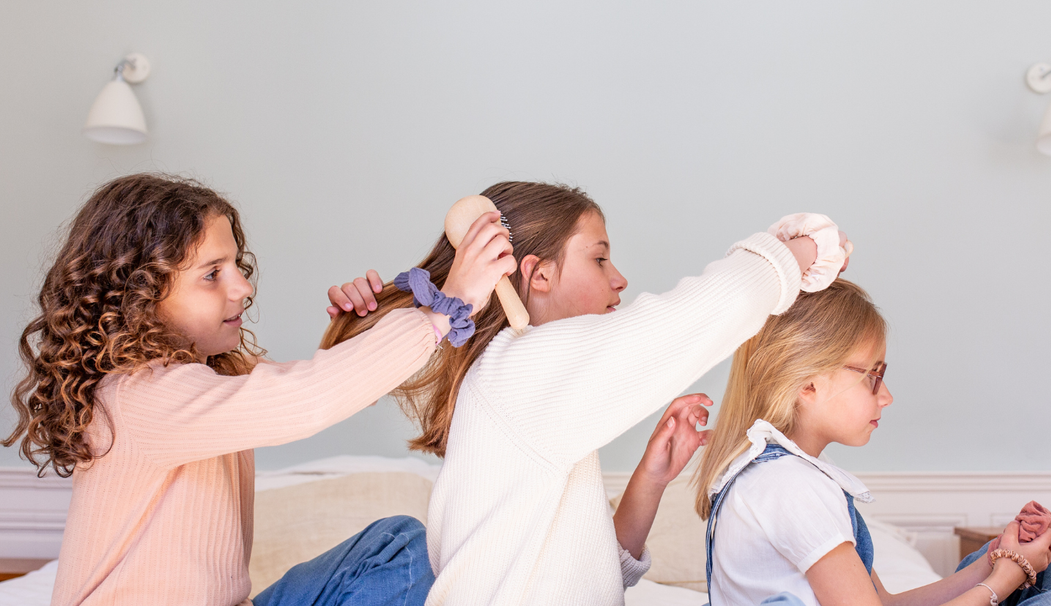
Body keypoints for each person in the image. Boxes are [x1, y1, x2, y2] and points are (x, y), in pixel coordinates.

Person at [321, 182, 848, 605]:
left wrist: (650, 480)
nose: (620, 279)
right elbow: (700, 315)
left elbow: (575, 579)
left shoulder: (519, 382)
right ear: (538, 275)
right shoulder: (522, 371)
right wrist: (800, 249)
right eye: (599, 259)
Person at [1, 173, 513, 606]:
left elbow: (315, 384)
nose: (242, 287)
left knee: (396, 546)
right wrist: (449, 306)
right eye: (212, 274)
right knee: (400, 549)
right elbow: (306, 400)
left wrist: (357, 327)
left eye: (236, 267)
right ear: (140, 297)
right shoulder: (141, 397)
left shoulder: (209, 375)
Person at [693, 279, 1051, 605]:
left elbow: (882, 603)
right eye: (873, 376)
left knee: (1047, 569)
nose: (887, 397)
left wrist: (998, 559)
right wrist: (1005, 579)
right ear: (808, 383)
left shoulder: (784, 477)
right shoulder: (791, 487)